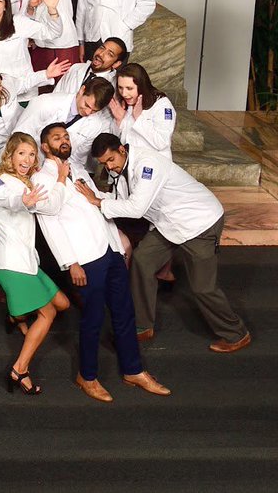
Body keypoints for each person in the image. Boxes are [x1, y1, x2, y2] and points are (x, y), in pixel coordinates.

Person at [34, 124, 171, 401]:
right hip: (84, 258)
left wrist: (118, 247)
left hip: (110, 251)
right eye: (57, 138)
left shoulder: (80, 169)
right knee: (93, 318)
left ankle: (133, 370)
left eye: (66, 136)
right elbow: (51, 226)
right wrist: (70, 263)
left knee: (124, 312)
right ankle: (87, 376)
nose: (64, 140)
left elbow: (97, 207)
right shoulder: (42, 179)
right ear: (45, 147)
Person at [86, 133, 252, 353]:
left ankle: (236, 334)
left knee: (203, 288)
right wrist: (98, 198)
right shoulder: (121, 170)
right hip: (168, 224)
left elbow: (136, 209)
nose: (109, 167)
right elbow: (123, 200)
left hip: (199, 224)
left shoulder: (148, 165)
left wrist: (97, 202)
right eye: (104, 164)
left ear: (122, 150)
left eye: (111, 160)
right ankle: (142, 325)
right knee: (143, 260)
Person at [0, 133, 71, 394]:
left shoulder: (22, 180)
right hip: (11, 263)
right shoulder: (6, 183)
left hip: (26, 260)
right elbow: (14, 199)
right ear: (10, 155)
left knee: (63, 303)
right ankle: (20, 369)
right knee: (48, 313)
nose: (27, 159)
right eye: (21, 153)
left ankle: (15, 315)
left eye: (31, 154)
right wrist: (61, 178)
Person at [111, 63, 176, 157]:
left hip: (154, 164)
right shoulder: (126, 102)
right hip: (130, 163)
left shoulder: (163, 106)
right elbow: (118, 140)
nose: (124, 93)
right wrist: (119, 121)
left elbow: (162, 143)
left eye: (129, 88)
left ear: (141, 85)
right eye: (120, 88)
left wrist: (139, 118)